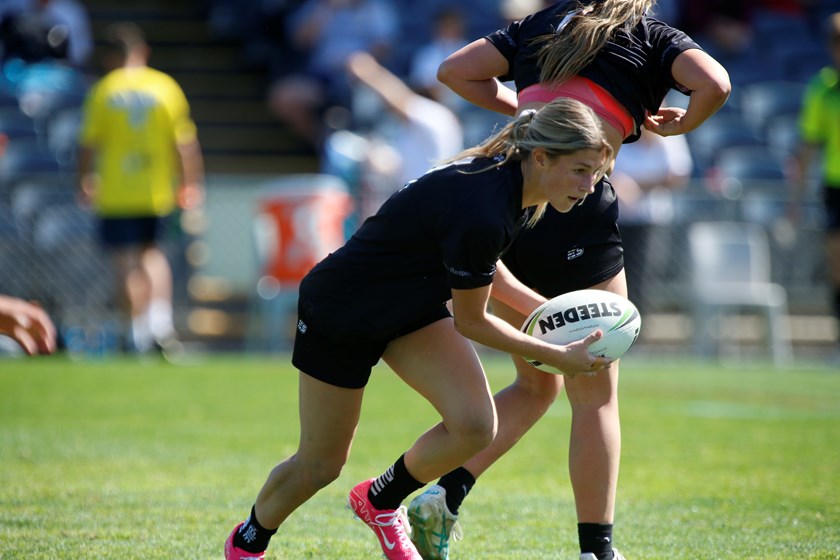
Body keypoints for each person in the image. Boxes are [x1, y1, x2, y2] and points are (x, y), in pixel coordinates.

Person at [224, 97, 614, 560]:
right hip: (342, 311)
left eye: (596, 172)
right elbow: (473, 321)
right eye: (581, 170)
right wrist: (555, 355)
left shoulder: (513, 186)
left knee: (474, 426)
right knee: (321, 464)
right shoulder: (485, 204)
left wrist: (545, 310)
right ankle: (248, 540)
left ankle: (380, 501)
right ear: (542, 157)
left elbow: (487, 266)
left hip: (410, 310)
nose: (589, 187)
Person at [412, 2, 731, 560]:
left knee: (538, 384)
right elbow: (716, 83)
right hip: (575, 205)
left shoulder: (541, 21)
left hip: (515, 189)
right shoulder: (649, 31)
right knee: (596, 393)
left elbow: (454, 70)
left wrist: (526, 116)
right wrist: (688, 121)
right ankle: (597, 551)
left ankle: (447, 490)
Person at [76, 22, 204, 354]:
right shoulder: (165, 87)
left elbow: (89, 144)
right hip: (156, 190)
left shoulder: (104, 90)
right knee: (154, 255)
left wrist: (84, 179)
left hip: (117, 192)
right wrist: (190, 184)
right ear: (142, 52)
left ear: (110, 57)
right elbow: (184, 144)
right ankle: (161, 326)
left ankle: (133, 333)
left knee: (126, 261)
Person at [344, 50, 464, 216]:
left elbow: (400, 100)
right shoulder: (437, 118)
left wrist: (369, 72)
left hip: (424, 203)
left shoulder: (435, 114)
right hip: (421, 199)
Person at [792, 11, 840, 360]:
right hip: (835, 187)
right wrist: (795, 198)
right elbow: (809, 145)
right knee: (837, 266)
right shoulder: (823, 88)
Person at [609, 128, 692, 314]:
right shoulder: (619, 133)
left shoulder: (670, 138)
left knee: (644, 278)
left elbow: (677, 176)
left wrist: (635, 185)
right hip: (616, 220)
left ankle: (638, 326)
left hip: (650, 221)